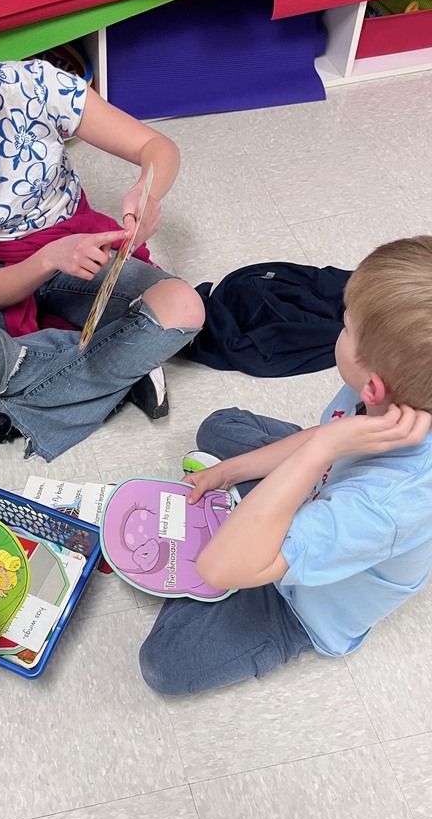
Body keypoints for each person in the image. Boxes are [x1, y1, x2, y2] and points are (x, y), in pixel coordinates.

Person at [0, 0, 204, 469]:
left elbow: (156, 147)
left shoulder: (35, 85)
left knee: (185, 307)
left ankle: (4, 408)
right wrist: (49, 258)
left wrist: (148, 192)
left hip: (78, 243)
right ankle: (123, 367)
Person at [139, 236, 432, 695]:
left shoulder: (386, 506)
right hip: (325, 483)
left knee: (166, 664)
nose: (336, 327)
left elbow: (218, 568)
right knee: (222, 426)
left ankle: (249, 529)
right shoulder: (401, 398)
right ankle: (251, 512)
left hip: (303, 601)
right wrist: (226, 474)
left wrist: (318, 453)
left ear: (372, 385)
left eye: (345, 326)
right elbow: (322, 437)